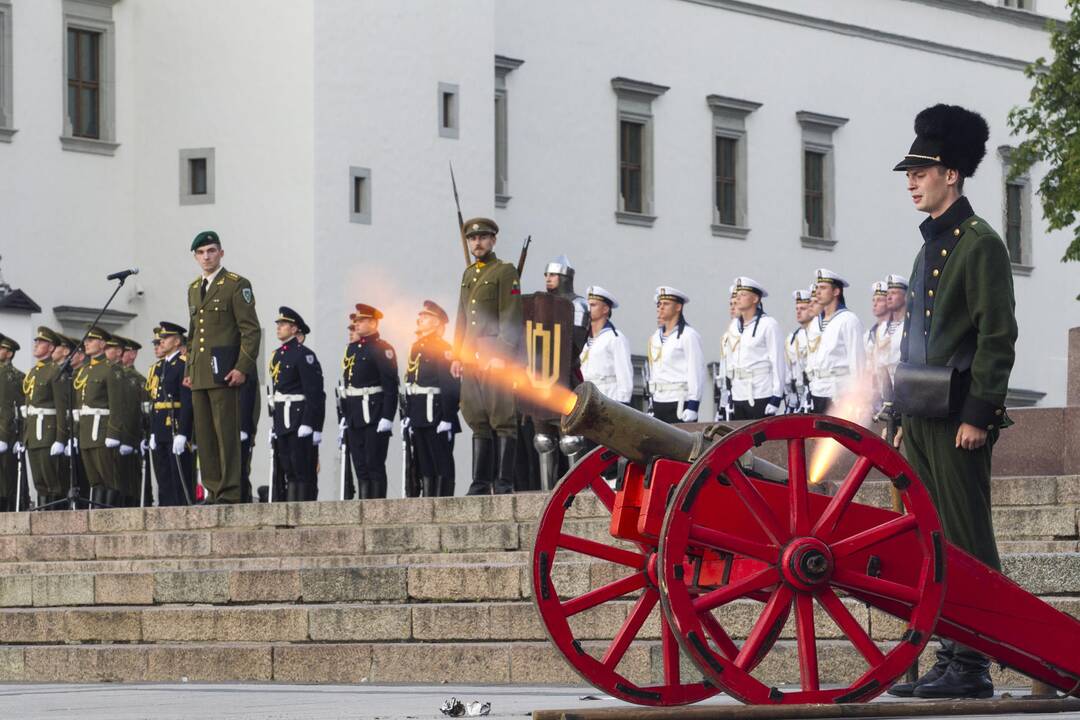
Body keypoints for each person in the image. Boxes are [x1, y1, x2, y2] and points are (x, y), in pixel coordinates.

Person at [887, 104, 1017, 700]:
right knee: (932, 539)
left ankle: (975, 664)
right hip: (920, 415)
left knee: (965, 538)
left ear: (952, 175)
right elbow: (915, 341)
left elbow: (996, 335)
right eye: (910, 173)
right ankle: (951, 653)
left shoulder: (980, 243)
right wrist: (896, 416)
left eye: (922, 170)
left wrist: (979, 413)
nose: (911, 181)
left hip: (958, 419)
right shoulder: (927, 248)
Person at [183, 230, 261, 504]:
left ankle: (230, 491)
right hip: (201, 373)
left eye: (212, 251)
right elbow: (193, 334)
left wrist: (242, 367)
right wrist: (189, 371)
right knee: (204, 435)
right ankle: (213, 489)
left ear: (221, 253)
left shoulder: (236, 284)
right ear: (195, 257)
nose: (207, 257)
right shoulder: (194, 288)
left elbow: (250, 331)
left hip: (225, 371)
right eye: (201, 253)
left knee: (225, 433)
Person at [450, 218, 523, 495]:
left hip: (494, 356)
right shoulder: (468, 274)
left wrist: (501, 354)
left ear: (493, 240)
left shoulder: (504, 271)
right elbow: (461, 317)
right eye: (472, 239)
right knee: (477, 417)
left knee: (502, 418)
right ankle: (480, 483)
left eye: (482, 238)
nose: (476, 243)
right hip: (471, 356)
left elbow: (511, 316)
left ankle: (503, 483)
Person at [403, 300, 460, 497]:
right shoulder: (416, 346)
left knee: (441, 460)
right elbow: (411, 381)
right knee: (424, 461)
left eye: (426, 316)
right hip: (419, 412)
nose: (421, 319)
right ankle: (428, 502)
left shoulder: (443, 347)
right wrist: (408, 413)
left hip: (437, 412)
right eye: (421, 315)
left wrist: (448, 416)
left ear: (437, 323)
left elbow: (450, 385)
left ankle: (443, 502)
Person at [341, 303, 398, 499]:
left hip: (374, 414)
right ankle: (363, 508)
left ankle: (378, 509)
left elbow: (390, 387)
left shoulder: (382, 349)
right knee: (360, 465)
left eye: (361, 320)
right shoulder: (353, 349)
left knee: (374, 463)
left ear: (373, 323)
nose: (356, 324)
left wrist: (387, 417)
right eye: (355, 321)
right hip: (355, 414)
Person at [269, 307, 325, 501]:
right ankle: (291, 511)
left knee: (301, 468)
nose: (278, 327)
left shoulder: (303, 354)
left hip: (298, 418)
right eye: (278, 324)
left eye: (283, 324)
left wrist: (309, 423)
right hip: (282, 418)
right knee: (287, 468)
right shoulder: (278, 354)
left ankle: (304, 510)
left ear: (294, 329)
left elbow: (314, 392)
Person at [74, 327, 127, 507]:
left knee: (108, 477)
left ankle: (109, 513)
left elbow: (117, 405)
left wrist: (113, 433)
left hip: (102, 428)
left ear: (102, 344)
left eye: (91, 340)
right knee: (94, 478)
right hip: (86, 430)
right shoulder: (84, 370)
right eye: (86, 340)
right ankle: (96, 511)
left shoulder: (110, 369)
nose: (86, 343)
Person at [20, 327, 69, 508]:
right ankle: (42, 516)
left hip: (48, 432)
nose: (36, 345)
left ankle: (55, 517)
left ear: (50, 348)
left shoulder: (55, 371)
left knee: (52, 481)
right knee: (39, 480)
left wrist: (61, 438)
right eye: (36, 342)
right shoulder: (33, 372)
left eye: (41, 342)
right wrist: (23, 437)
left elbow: (62, 408)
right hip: (33, 433)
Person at [804, 269, 865, 413]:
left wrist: (857, 398)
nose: (818, 292)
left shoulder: (848, 320)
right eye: (817, 287)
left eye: (823, 288)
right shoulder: (815, 323)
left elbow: (857, 362)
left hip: (838, 392)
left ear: (836, 291)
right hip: (817, 391)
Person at [148, 322, 195, 506]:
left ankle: (181, 509)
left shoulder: (182, 364)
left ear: (177, 341)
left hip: (175, 424)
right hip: (160, 425)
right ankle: (165, 509)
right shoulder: (161, 366)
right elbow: (155, 401)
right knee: (163, 473)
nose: (162, 341)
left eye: (166, 338)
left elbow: (187, 401)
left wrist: (184, 432)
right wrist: (152, 430)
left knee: (178, 474)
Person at [727, 277, 786, 420]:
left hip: (760, 392)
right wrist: (729, 391)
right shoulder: (734, 326)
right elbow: (730, 360)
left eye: (743, 294)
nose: (739, 298)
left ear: (755, 299)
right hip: (738, 393)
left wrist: (776, 396)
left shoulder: (768, 324)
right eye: (738, 294)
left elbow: (777, 361)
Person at [646, 286, 704, 424]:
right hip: (659, 400)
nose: (661, 307)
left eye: (666, 304)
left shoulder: (688, 335)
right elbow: (654, 372)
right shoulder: (655, 337)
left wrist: (693, 404)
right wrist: (651, 403)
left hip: (679, 401)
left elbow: (696, 370)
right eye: (659, 304)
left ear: (678, 307)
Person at [579, 286, 633, 403]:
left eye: (593, 305)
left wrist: (622, 403)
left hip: (608, 399)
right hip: (587, 399)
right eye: (588, 305)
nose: (589, 309)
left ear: (605, 309)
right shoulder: (584, 338)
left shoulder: (615, 338)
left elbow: (625, 375)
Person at [0, 334, 24, 510]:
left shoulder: (10, 376)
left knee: (6, 478)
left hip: (5, 433)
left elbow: (8, 408)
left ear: (9, 353)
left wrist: (3, 436)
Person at [785, 289, 815, 413]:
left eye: (802, 308)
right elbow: (788, 371)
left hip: (814, 395)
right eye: (797, 308)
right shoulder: (792, 338)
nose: (798, 311)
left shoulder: (817, 335)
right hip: (797, 397)